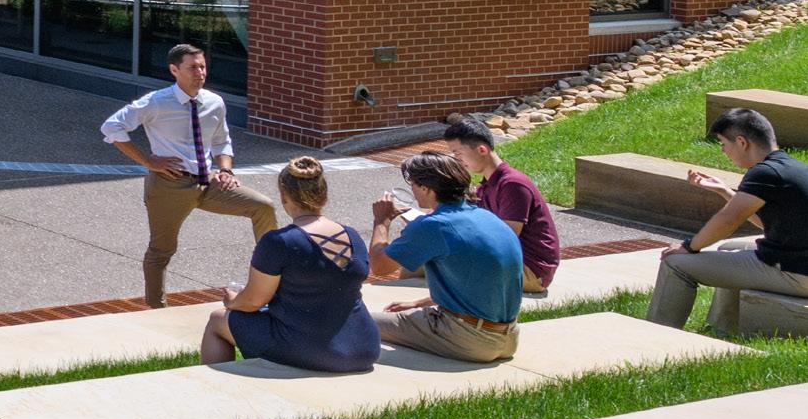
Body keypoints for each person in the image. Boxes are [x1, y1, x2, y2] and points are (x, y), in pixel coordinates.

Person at [101, 42, 278, 306]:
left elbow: (221, 141)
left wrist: (225, 169)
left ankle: (269, 281)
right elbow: (112, 127)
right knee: (161, 251)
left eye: (203, 67)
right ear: (174, 70)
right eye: (193, 67)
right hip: (169, 186)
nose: (200, 73)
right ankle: (156, 309)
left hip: (208, 183)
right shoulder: (156, 102)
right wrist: (149, 161)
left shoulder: (214, 102)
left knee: (263, 206)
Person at [203, 155, 379, 373]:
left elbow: (253, 301)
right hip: (364, 348)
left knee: (217, 320)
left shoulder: (279, 242)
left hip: (310, 350)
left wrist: (232, 301)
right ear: (324, 195)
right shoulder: (353, 235)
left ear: (284, 196)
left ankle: (216, 387)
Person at [648, 105, 808, 338]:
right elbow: (767, 223)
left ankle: (657, 336)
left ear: (742, 142)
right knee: (729, 248)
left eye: (724, 144)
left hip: (797, 274)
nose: (723, 151)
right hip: (800, 264)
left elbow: (728, 220)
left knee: (676, 264)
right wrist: (725, 191)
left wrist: (689, 246)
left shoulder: (764, 173)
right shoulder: (793, 168)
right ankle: (723, 329)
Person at [368, 149, 523, 363]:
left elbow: (379, 267)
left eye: (413, 184)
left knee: (358, 322)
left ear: (426, 187)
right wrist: (418, 303)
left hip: (469, 338)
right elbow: (479, 284)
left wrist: (381, 221)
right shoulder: (487, 217)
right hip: (509, 338)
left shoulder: (434, 225)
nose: (412, 190)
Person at [438, 113, 562, 297]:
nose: (457, 160)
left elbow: (505, 239)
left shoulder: (512, 184)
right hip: (510, 263)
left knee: (438, 260)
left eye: (458, 153)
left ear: (482, 149)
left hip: (530, 270)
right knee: (431, 255)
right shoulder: (486, 185)